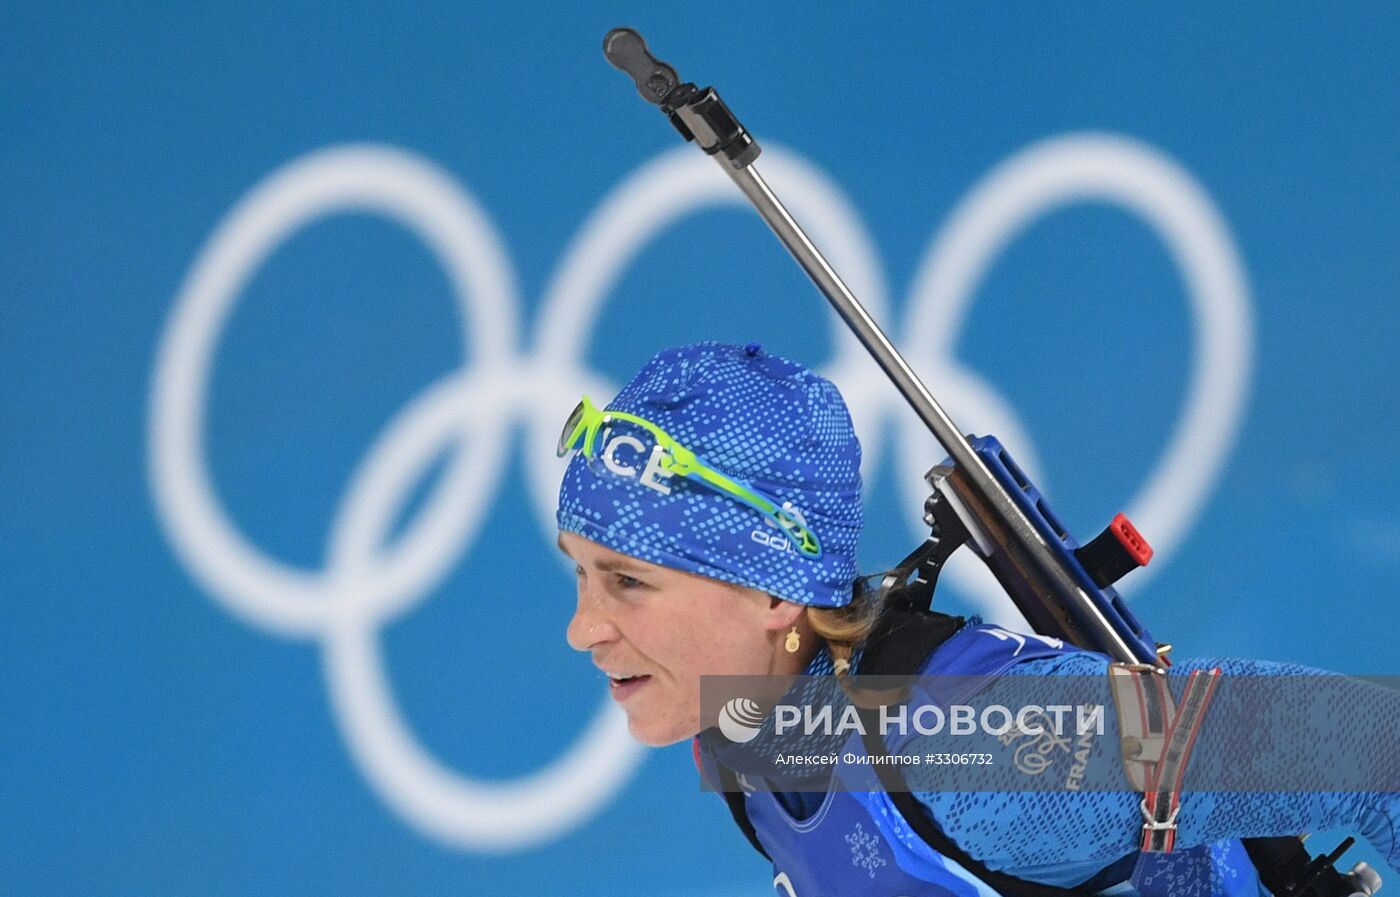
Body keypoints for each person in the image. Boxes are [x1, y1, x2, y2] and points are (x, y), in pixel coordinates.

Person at [555, 341, 1398, 896]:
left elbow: (1368, 746)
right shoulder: (748, 730)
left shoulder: (968, 745)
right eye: (581, 574)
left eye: (628, 580)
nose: (583, 628)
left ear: (775, 591)